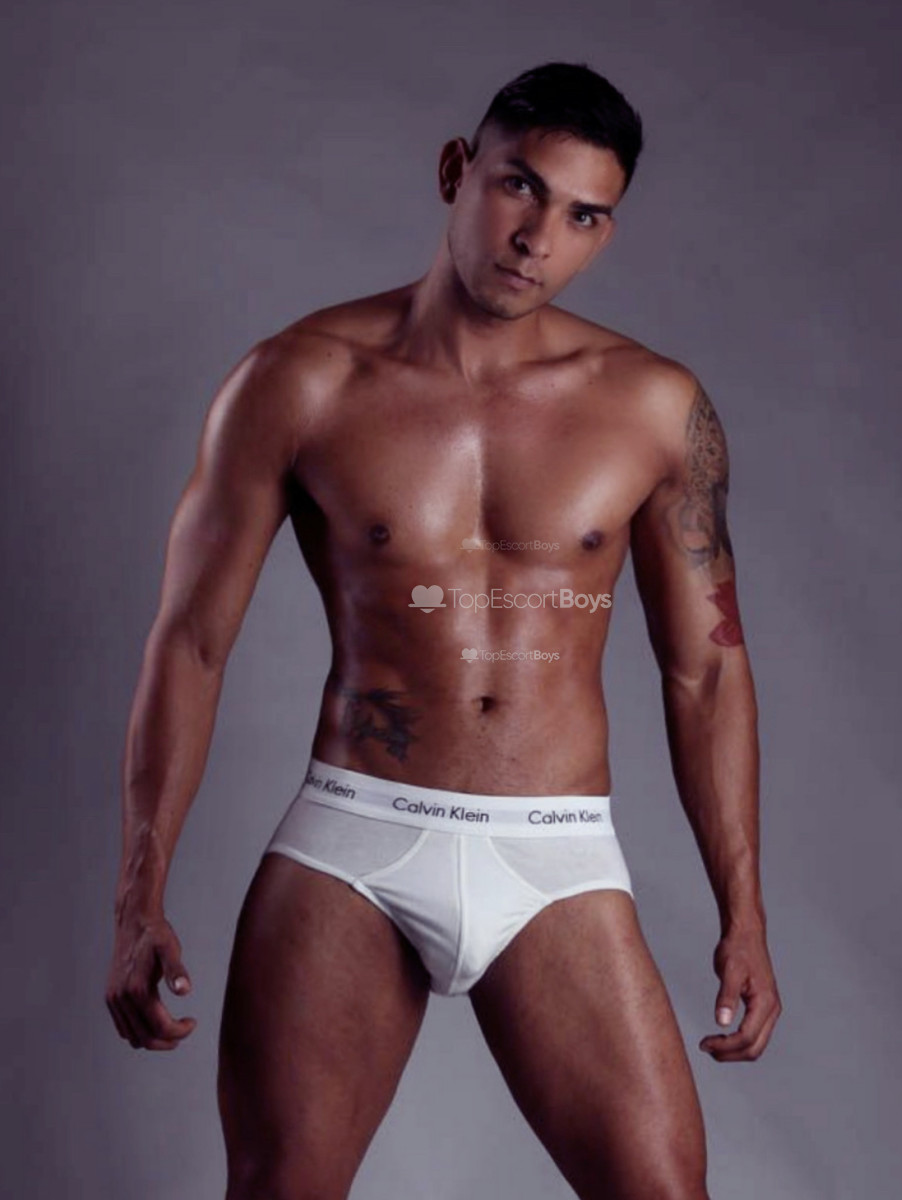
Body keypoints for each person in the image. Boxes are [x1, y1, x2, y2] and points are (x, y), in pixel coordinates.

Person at [105, 59, 781, 1200]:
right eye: (520, 187)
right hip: (357, 839)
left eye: (582, 216)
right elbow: (191, 643)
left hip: (553, 850)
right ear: (456, 170)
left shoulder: (654, 407)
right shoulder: (298, 382)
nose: (538, 239)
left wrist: (744, 911)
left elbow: (704, 673)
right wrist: (138, 894)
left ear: (604, 234)